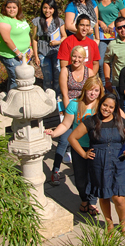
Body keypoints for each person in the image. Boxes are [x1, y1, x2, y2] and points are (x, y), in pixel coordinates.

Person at [68, 93, 125, 235]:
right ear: (100, 104)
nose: (107, 109)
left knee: (119, 198)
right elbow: (72, 138)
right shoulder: (91, 121)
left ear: (115, 109)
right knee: (104, 195)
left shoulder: (121, 122)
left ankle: (123, 221)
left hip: (118, 162)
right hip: (99, 163)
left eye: (111, 107)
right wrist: (84, 154)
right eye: (105, 105)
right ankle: (109, 222)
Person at [45, 76, 104, 215]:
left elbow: (117, 117)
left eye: (96, 90)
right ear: (85, 89)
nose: (93, 93)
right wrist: (54, 133)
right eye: (90, 89)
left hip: (96, 146)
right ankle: (84, 199)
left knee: (94, 176)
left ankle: (92, 202)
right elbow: (66, 124)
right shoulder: (75, 104)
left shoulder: (102, 105)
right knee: (80, 178)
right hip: (78, 146)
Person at [56, 46, 96, 169]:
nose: (76, 59)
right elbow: (65, 93)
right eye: (74, 56)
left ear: (84, 58)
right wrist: (71, 113)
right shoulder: (65, 70)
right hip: (70, 106)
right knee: (64, 139)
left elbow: (94, 90)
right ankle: (56, 169)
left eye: (79, 57)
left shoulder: (89, 72)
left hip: (85, 106)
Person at [31, 0, 66, 95]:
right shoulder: (37, 21)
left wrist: (57, 42)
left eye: (50, 8)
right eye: (45, 8)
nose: (47, 11)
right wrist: (36, 56)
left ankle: (57, 96)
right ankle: (47, 96)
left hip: (56, 51)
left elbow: (65, 37)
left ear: (54, 9)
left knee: (57, 75)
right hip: (43, 52)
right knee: (47, 77)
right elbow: (34, 39)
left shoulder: (59, 21)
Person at [0, 0, 31, 91]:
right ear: (5, 8)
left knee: (16, 78)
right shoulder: (2, 20)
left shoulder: (21, 19)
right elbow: (7, 39)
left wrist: (29, 47)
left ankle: (12, 98)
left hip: (24, 54)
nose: (12, 10)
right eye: (9, 7)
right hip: (10, 55)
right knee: (16, 78)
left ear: (18, 8)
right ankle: (13, 102)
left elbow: (27, 33)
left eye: (14, 7)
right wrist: (18, 53)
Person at [96, 0, 125, 78]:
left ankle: (115, 84)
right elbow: (93, 18)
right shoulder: (97, 1)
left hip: (115, 36)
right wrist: (100, 22)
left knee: (115, 61)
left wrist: (114, 22)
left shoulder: (117, 1)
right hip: (102, 36)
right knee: (101, 62)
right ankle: (104, 84)